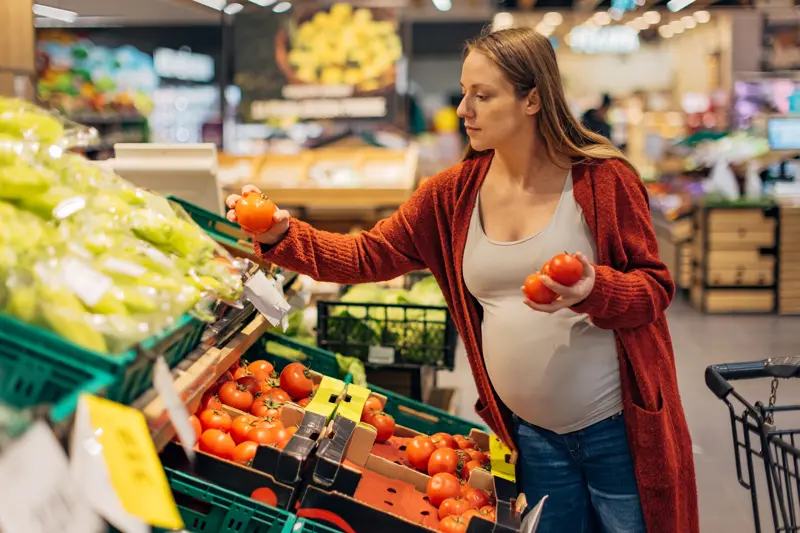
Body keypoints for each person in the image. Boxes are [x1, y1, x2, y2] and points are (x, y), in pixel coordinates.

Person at [227, 27, 698, 533]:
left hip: (619, 429)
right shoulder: (453, 194)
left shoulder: (603, 181)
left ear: (532, 99)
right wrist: (282, 232)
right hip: (531, 436)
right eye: (464, 92)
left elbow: (653, 289)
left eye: (483, 95)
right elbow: (369, 255)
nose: (463, 109)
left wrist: (593, 289)